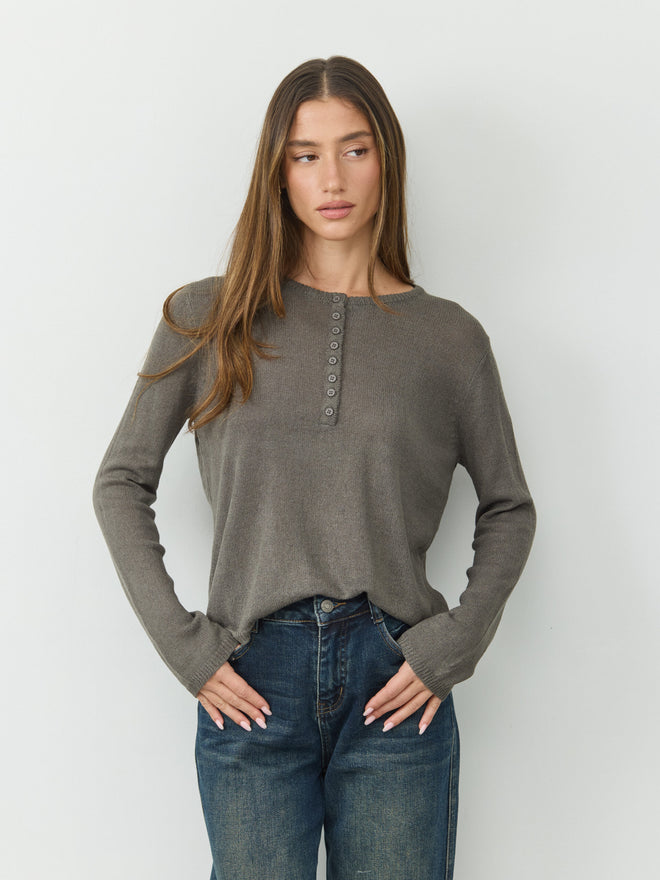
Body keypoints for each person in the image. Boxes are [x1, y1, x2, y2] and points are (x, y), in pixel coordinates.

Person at [93, 55, 536, 880]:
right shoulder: (208, 317)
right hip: (251, 678)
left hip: (394, 684)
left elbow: (509, 505)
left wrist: (454, 643)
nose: (332, 178)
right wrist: (188, 649)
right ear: (279, 170)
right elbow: (120, 482)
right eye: (305, 155)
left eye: (354, 149)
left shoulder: (449, 339)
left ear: (385, 160)